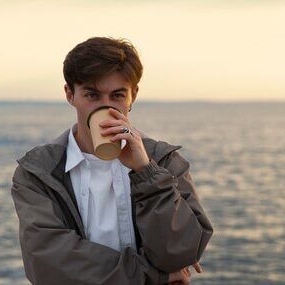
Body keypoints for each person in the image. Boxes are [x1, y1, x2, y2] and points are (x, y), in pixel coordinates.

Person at [11, 37, 214, 285]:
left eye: (117, 95)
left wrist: (145, 171)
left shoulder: (164, 162)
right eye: (92, 95)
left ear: (133, 95)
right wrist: (153, 276)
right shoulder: (38, 172)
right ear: (69, 94)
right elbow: (50, 264)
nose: (106, 107)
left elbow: (181, 252)